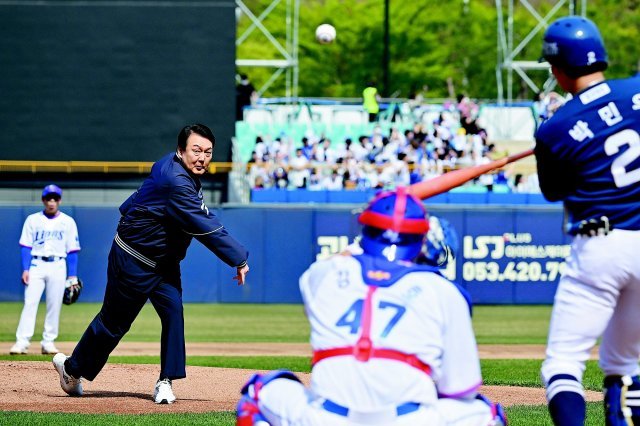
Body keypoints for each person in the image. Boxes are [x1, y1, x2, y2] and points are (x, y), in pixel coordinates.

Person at [236, 188, 506, 425]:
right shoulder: (444, 292)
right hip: (410, 421)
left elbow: (344, 259)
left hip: (325, 419)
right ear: (421, 240)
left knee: (260, 392)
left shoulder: (322, 276)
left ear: (364, 228)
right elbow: (461, 389)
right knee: (487, 413)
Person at [52, 124, 250, 404]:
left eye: (207, 152)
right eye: (196, 150)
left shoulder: (175, 167)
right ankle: (71, 370)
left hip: (164, 264)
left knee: (173, 313)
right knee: (113, 324)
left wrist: (129, 210)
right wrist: (238, 257)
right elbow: (204, 224)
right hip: (133, 260)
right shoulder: (176, 181)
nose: (202, 157)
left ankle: (165, 381)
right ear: (181, 151)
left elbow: (143, 197)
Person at [535, 16, 640, 425]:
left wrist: (546, 143)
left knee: (563, 363)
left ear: (557, 70)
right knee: (626, 365)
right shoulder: (636, 91)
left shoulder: (554, 129)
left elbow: (554, 192)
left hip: (601, 245)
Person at [10, 185, 81, 355]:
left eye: (55, 198)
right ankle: (22, 342)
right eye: (48, 198)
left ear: (59, 200)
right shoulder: (32, 220)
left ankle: (48, 342)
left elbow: (72, 250)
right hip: (37, 264)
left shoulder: (68, 221)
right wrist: (25, 269)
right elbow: (26, 246)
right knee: (30, 302)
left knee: (54, 304)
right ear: (43, 200)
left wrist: (72, 275)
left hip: (58, 264)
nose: (52, 202)